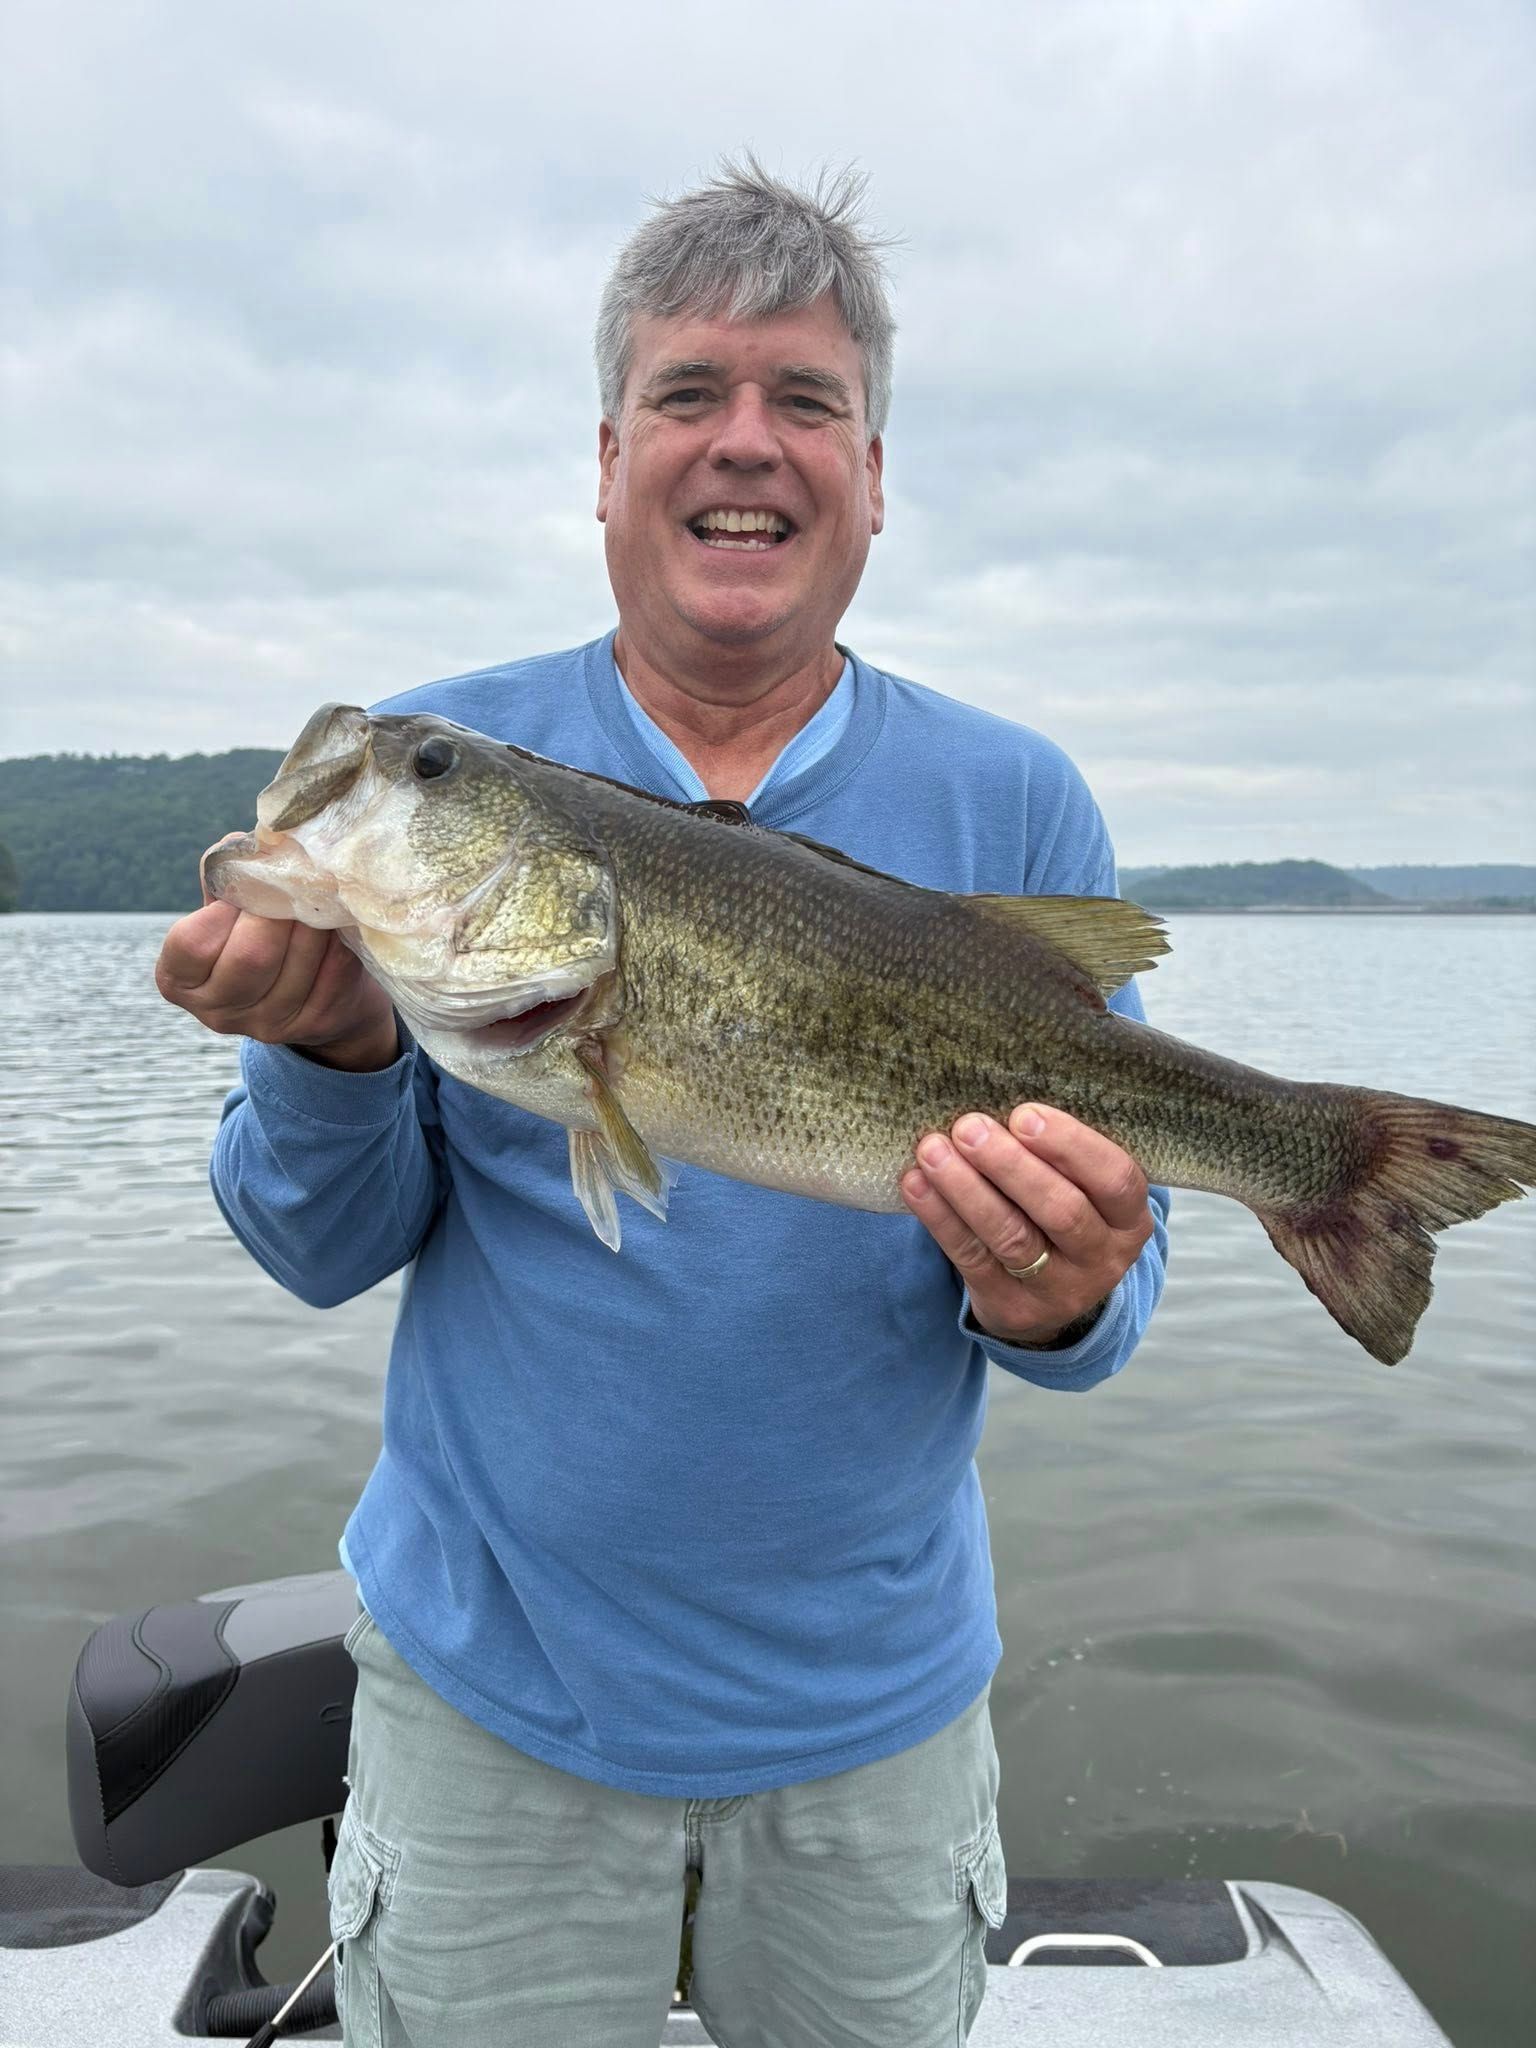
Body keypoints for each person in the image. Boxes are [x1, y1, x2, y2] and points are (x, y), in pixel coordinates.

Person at [156, 159, 1168, 2048]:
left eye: (809, 403)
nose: (748, 444)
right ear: (609, 455)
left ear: (875, 475)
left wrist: (1066, 1292)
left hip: (875, 1730)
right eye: (692, 396)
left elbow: (1101, 1325)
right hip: (488, 1711)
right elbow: (311, 1248)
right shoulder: (451, 770)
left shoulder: (1012, 803)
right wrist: (330, 1053)